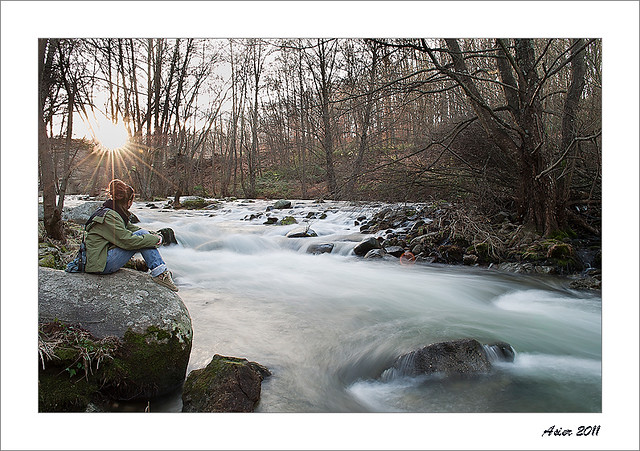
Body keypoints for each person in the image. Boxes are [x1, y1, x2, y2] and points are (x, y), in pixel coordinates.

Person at [84, 179, 178, 291]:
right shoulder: (110, 216)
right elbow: (127, 241)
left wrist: (155, 236)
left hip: (101, 257)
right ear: (128, 201)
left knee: (144, 236)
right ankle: (161, 274)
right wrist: (154, 239)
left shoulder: (114, 213)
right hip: (100, 264)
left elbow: (134, 229)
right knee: (142, 238)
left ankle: (160, 273)